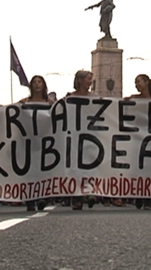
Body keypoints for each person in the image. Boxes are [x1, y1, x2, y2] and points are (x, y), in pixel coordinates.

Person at [125, 74, 151, 211]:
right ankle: (138, 195)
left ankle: (147, 197)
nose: (136, 85)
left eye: (138, 82)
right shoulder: (134, 99)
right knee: (137, 167)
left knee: (149, 168)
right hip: (137, 137)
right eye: (135, 83)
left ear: (147, 82)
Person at [18, 75, 53, 212]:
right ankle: (30, 200)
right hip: (29, 140)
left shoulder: (50, 103)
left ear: (44, 85)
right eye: (34, 82)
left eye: (39, 82)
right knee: (30, 171)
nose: (37, 84)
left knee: (44, 170)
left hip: (46, 140)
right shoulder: (24, 102)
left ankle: (43, 197)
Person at [66, 70, 97, 210]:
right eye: (88, 79)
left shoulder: (95, 97)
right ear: (80, 80)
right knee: (76, 167)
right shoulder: (70, 98)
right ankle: (77, 197)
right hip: (74, 135)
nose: (90, 82)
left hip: (91, 135)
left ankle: (90, 191)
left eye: (91, 79)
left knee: (90, 164)